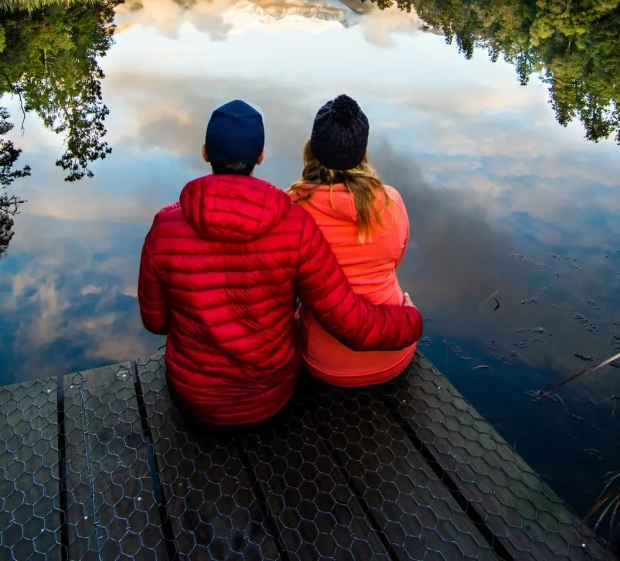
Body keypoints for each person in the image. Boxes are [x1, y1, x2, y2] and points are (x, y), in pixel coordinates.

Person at [138, 99, 422, 429]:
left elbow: (155, 321)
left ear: (204, 152)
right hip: (271, 399)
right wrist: (411, 321)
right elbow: (348, 319)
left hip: (194, 399)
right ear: (260, 156)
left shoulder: (165, 226)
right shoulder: (293, 224)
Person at [288, 94, 416, 387]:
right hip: (395, 352)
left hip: (322, 362)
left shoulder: (292, 208)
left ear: (312, 148)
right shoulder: (391, 201)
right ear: (362, 152)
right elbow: (396, 260)